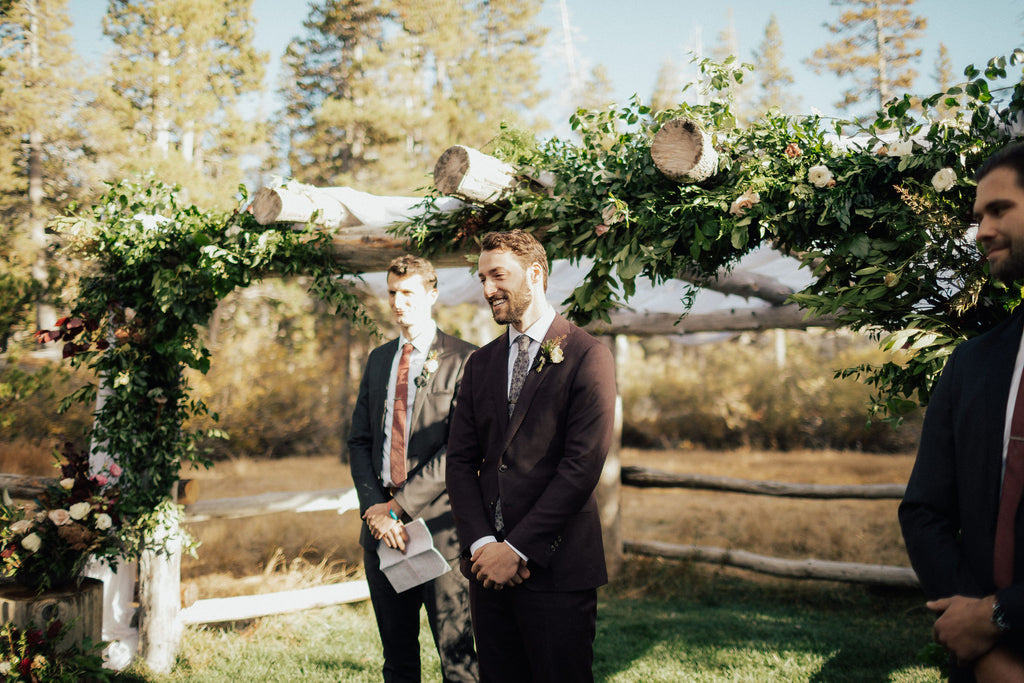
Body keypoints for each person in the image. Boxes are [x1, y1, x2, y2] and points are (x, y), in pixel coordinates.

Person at [445, 229, 617, 683]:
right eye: (481, 278)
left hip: (556, 569)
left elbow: (582, 466)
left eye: (497, 275)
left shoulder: (588, 355)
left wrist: (517, 550)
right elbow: (460, 462)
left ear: (536, 274)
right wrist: (483, 545)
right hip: (486, 571)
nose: (486, 289)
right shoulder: (480, 363)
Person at [900, 142, 1024, 682]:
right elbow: (924, 509)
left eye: (1000, 210)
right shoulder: (971, 363)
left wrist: (1002, 619)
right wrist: (977, 635)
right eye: (978, 217)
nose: (982, 232)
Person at [348, 255, 479, 683]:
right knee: (398, 659)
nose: (397, 303)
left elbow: (456, 450)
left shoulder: (465, 360)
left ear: (432, 295)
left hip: (441, 529)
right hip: (381, 531)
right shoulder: (378, 359)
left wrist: (397, 509)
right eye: (391, 292)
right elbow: (360, 441)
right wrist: (374, 508)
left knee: (457, 658)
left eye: (408, 293)